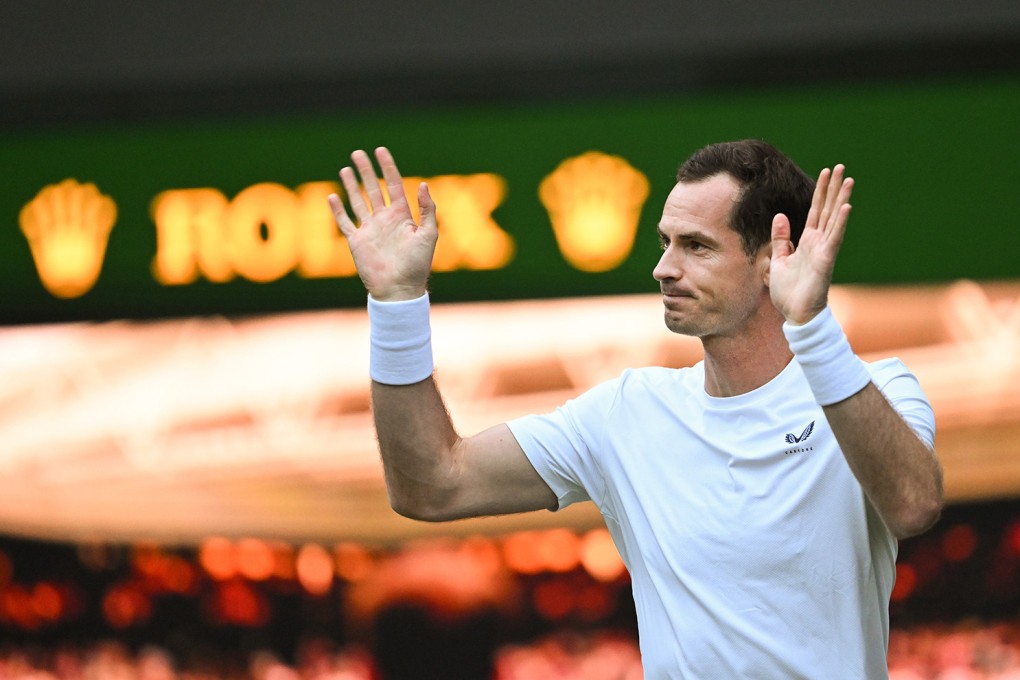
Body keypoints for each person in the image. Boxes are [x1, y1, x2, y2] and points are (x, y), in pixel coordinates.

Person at [327, 140, 944, 678]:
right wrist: (398, 304)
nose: (663, 268)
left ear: (771, 261)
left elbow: (913, 505)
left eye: (696, 247)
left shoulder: (877, 388)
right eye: (666, 242)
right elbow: (431, 485)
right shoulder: (626, 414)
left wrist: (810, 326)